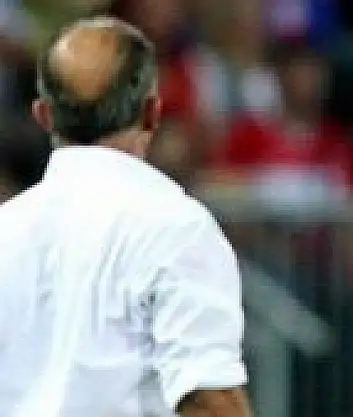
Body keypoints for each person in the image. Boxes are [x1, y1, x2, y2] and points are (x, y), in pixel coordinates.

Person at [0, 17, 253, 417]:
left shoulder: (6, 228)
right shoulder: (177, 228)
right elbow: (209, 399)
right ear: (152, 113)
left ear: (44, 115)